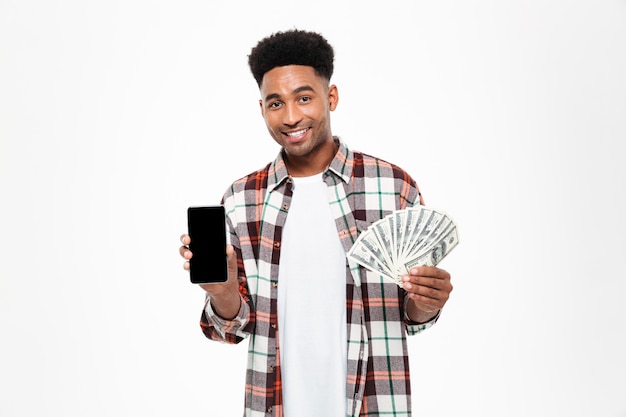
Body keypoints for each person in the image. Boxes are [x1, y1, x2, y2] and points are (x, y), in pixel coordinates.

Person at [179, 29, 453, 417]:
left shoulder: (393, 187)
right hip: (274, 405)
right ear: (262, 109)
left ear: (331, 97)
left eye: (304, 98)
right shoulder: (241, 200)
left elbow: (411, 316)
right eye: (276, 103)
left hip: (374, 403)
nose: (291, 117)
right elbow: (231, 329)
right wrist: (222, 293)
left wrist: (427, 302)